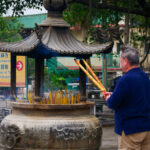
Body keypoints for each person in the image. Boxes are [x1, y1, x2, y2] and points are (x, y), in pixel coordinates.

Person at [104, 45, 150, 150]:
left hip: (130, 130)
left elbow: (112, 103)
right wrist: (114, 95)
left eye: (121, 60)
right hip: (147, 128)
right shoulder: (145, 77)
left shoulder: (125, 79)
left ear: (125, 61)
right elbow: (136, 97)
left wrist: (109, 98)